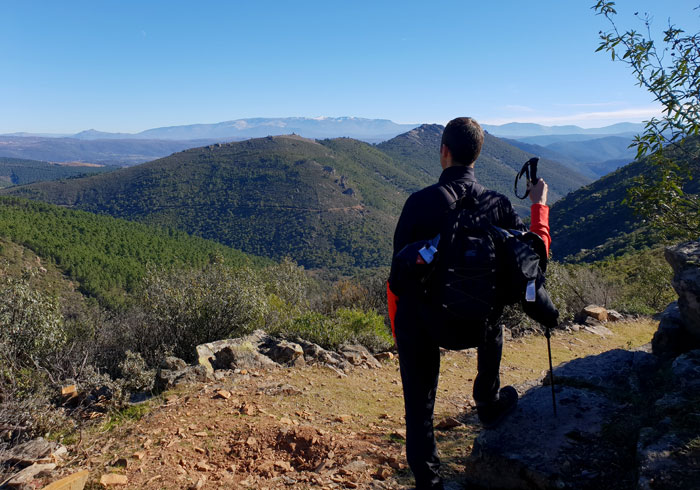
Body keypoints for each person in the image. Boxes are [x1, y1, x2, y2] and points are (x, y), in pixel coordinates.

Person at [386, 117, 550, 490]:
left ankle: (429, 480)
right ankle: (488, 401)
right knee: (495, 320)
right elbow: (533, 267)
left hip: (426, 327)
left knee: (419, 406)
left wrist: (400, 333)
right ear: (477, 155)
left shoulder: (419, 204)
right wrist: (539, 207)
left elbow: (397, 281)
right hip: (479, 324)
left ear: (444, 152)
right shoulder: (499, 205)